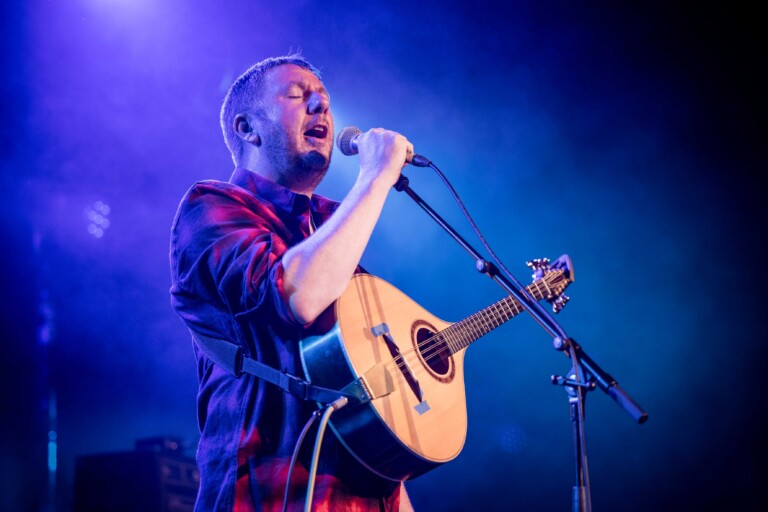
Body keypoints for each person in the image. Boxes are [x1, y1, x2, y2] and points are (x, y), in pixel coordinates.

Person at [169, 54, 415, 511]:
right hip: (267, 491)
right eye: (299, 96)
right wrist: (377, 176)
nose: (321, 106)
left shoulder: (330, 223)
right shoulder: (211, 208)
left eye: (324, 99)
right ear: (247, 127)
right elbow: (296, 297)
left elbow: (362, 380)